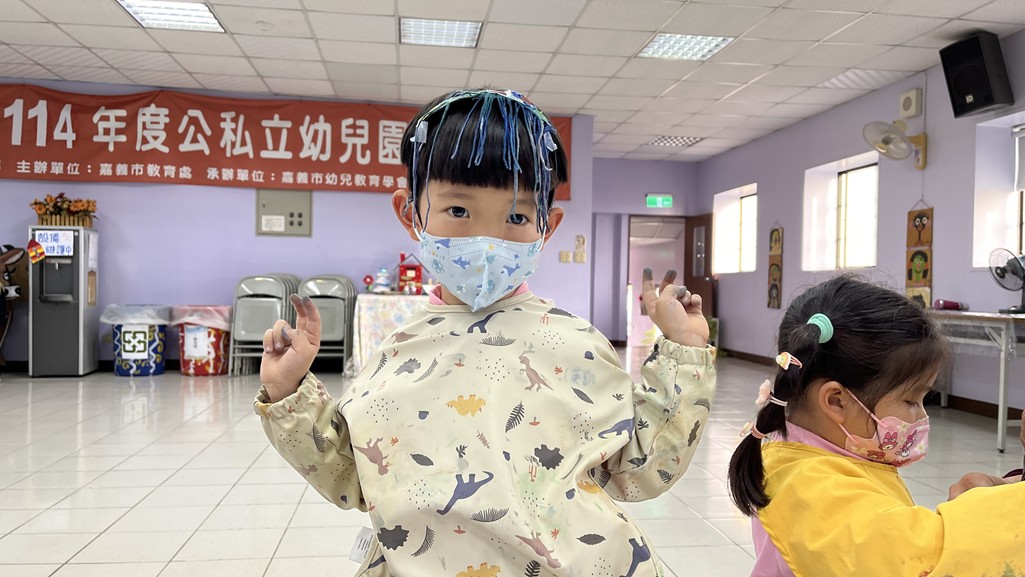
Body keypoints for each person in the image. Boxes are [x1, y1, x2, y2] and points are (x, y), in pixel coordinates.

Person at [255, 88, 718, 577]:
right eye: (459, 210)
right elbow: (353, 476)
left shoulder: (575, 344)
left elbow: (640, 469)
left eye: (517, 216)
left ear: (548, 226)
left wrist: (685, 353)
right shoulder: (398, 351)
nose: (487, 240)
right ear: (411, 213)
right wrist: (289, 394)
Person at [727, 275, 1025, 577]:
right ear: (836, 401)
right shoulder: (811, 489)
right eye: (911, 400)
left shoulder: (812, 453)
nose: (921, 417)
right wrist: (989, 512)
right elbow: (921, 561)